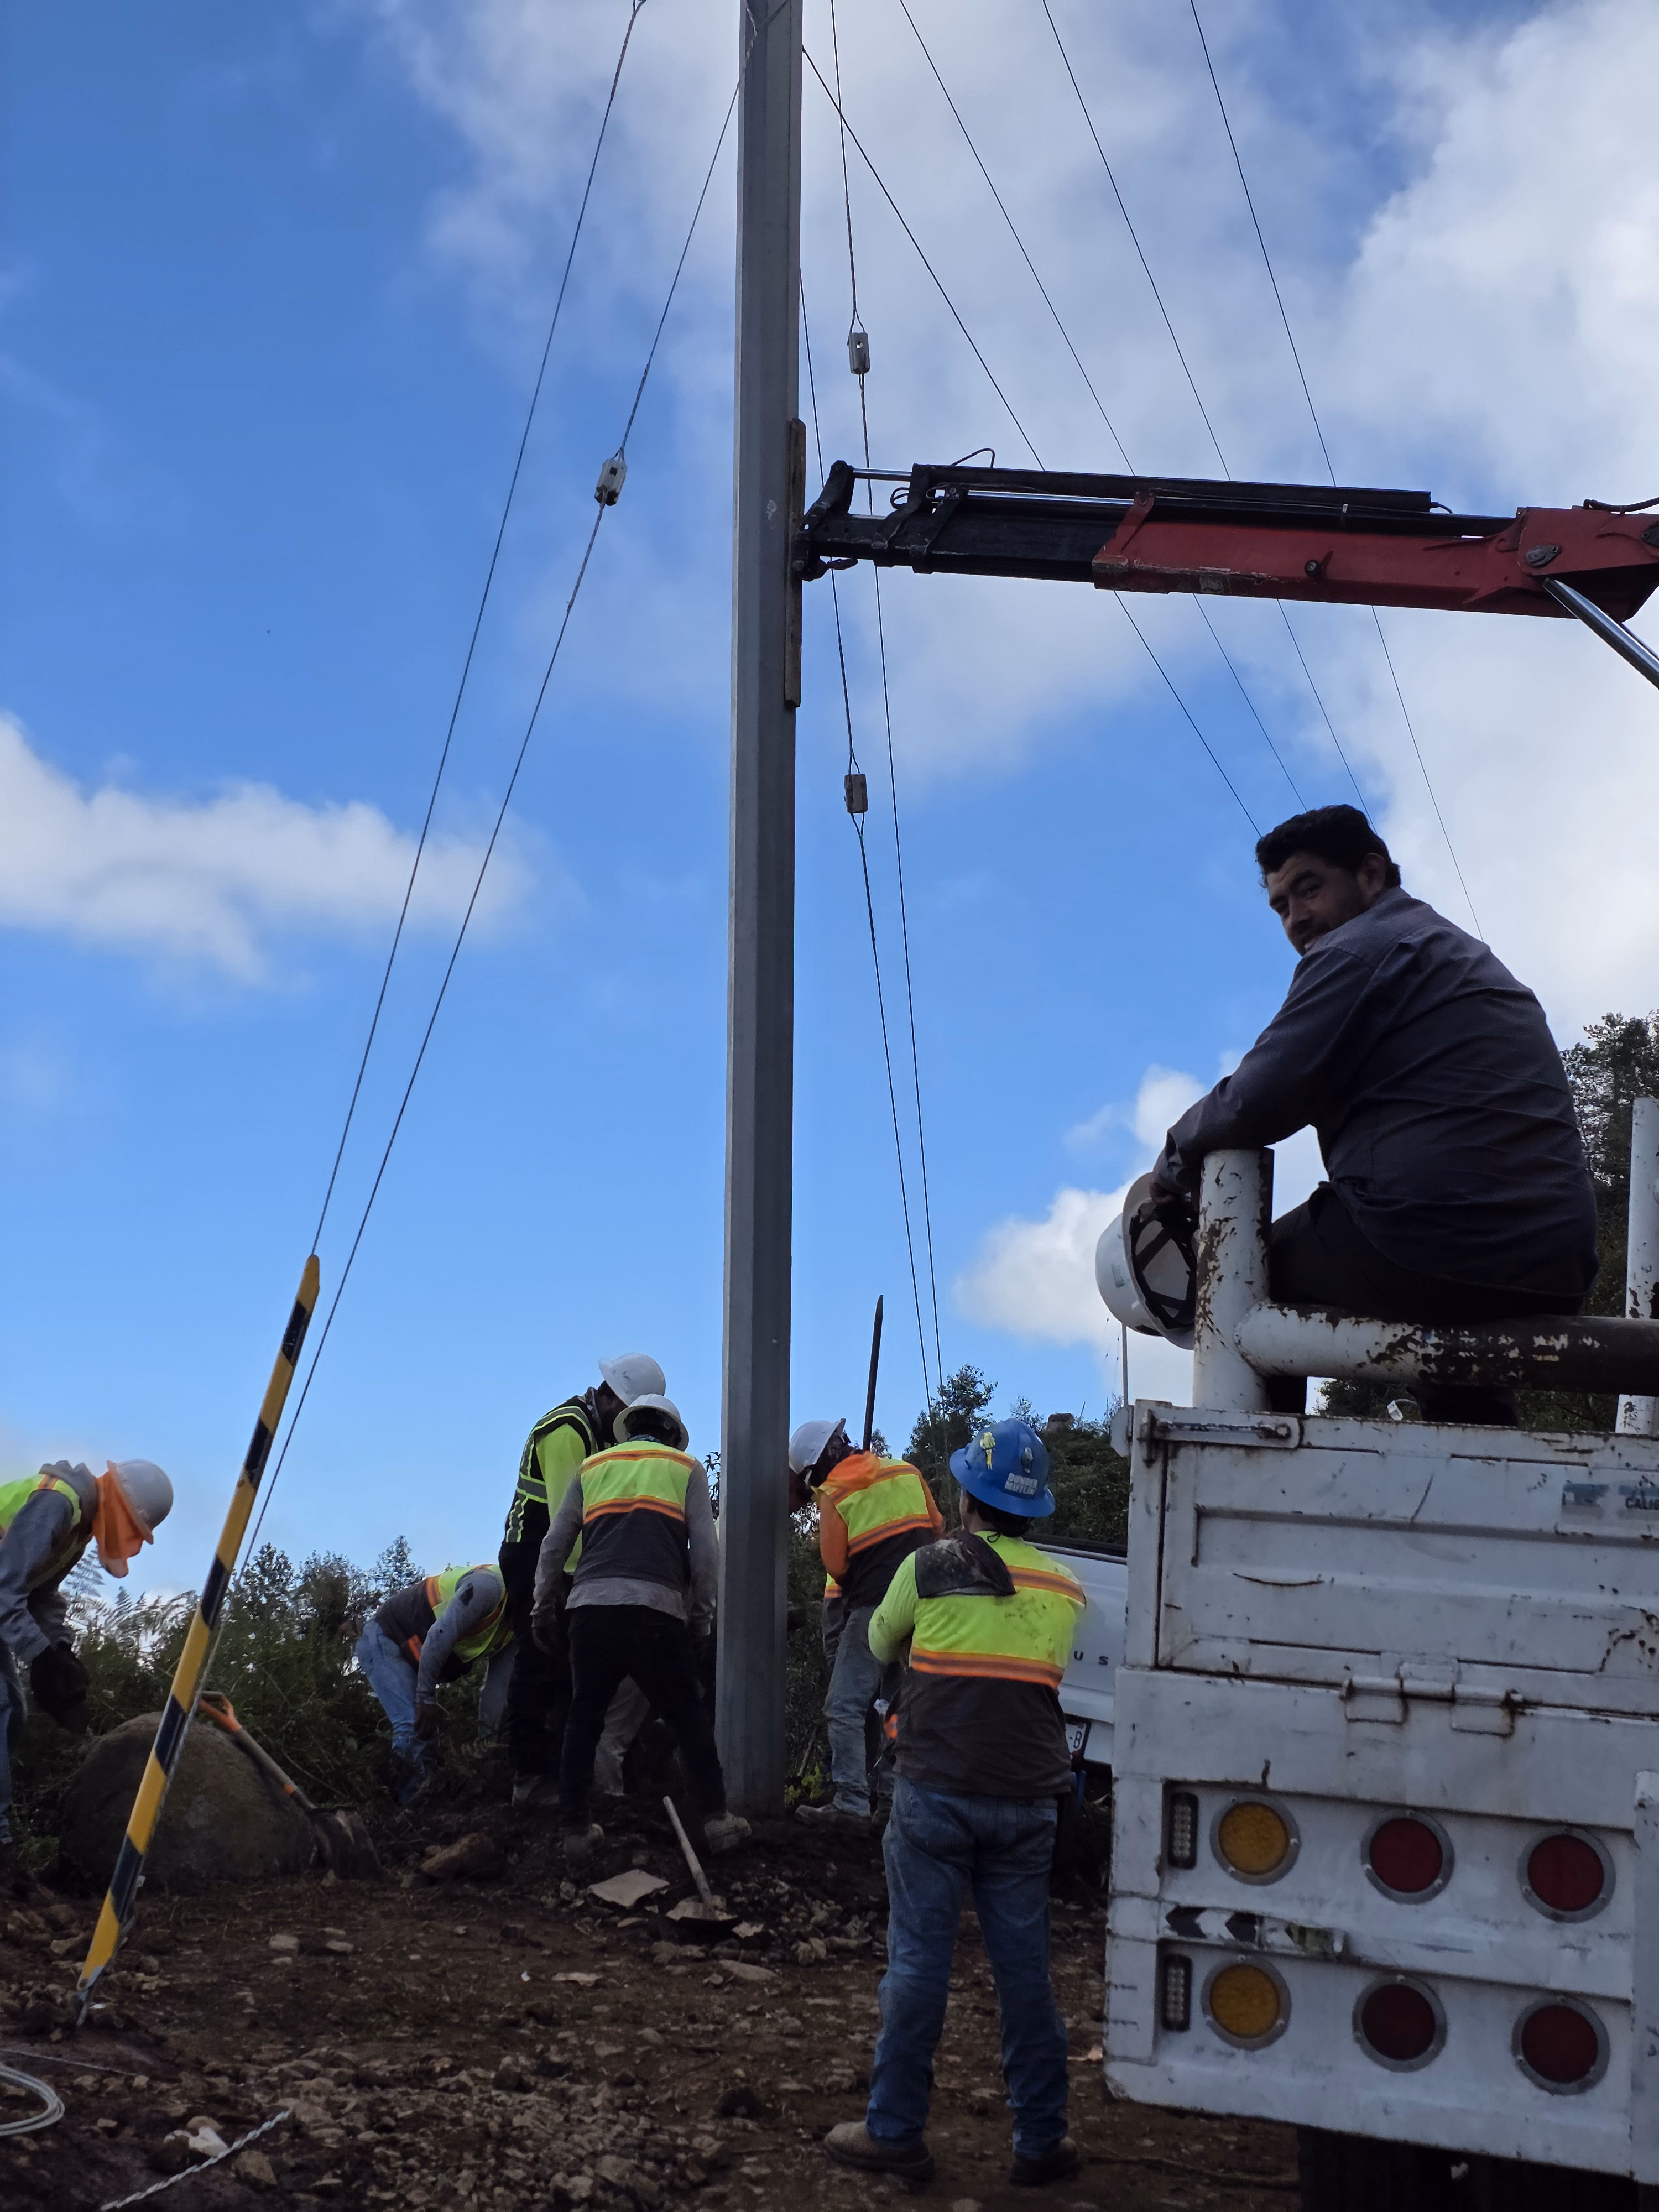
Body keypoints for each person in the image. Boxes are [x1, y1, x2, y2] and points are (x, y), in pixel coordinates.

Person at [1150, 805, 1599, 1425]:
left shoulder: (1360, 952)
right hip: (1555, 1264)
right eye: (1280, 906)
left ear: (1370, 874)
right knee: (1460, 1395)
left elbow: (1257, 1097)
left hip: (1433, 1242)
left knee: (1240, 1280)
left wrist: (1169, 1169)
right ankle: (1476, 1469)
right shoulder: (1446, 949)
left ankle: (1256, 1492)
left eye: (1309, 888)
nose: (1296, 918)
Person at [824, 1419, 1085, 2189]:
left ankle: (895, 2132)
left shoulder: (931, 1564)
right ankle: (1041, 2141)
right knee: (1025, 1975)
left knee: (917, 1965)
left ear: (967, 1496)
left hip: (936, 1789)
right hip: (1030, 1799)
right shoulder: (1065, 1590)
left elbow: (878, 1644)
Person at [532, 1394, 748, 1867]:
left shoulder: (593, 1467)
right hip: (657, 1613)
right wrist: (702, 1618)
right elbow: (706, 1555)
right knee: (687, 1716)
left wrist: (542, 1610)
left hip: (591, 1611)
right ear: (672, 1433)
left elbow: (554, 1545)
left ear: (629, 1429)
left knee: (584, 1718)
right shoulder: (685, 1468)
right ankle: (716, 1821)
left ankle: (574, 1830)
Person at [500, 1353, 665, 1808]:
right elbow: (565, 1523)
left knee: (570, 1667)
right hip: (535, 1556)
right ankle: (529, 1777)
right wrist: (568, 1585)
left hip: (569, 1563)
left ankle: (564, 1774)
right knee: (537, 1660)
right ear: (612, 1398)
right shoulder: (568, 1429)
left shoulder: (593, 1433)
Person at [0, 1458, 174, 1851]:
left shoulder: (79, 1523)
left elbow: (41, 1595)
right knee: (2, 1708)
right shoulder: (56, 1504)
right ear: (121, 1506)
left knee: (13, 1711)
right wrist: (40, 1657)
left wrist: (59, 1649)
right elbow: (4, 1592)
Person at [789, 1418, 943, 1829]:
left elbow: (836, 1565)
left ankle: (852, 1800)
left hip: (874, 1609)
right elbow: (939, 1527)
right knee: (898, 1707)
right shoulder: (906, 1471)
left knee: (844, 1707)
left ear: (815, 1469)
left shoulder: (834, 1494)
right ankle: (893, 1801)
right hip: (921, 1608)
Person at [355, 1563, 517, 1804]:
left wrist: (487, 1752)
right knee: (412, 1727)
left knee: (428, 1741)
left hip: (415, 1653)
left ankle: (424, 1808)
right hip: (386, 1638)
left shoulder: (520, 1622)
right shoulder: (488, 1587)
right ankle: (403, 1815)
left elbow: (497, 1692)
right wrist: (426, 1697)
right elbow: (439, 1635)